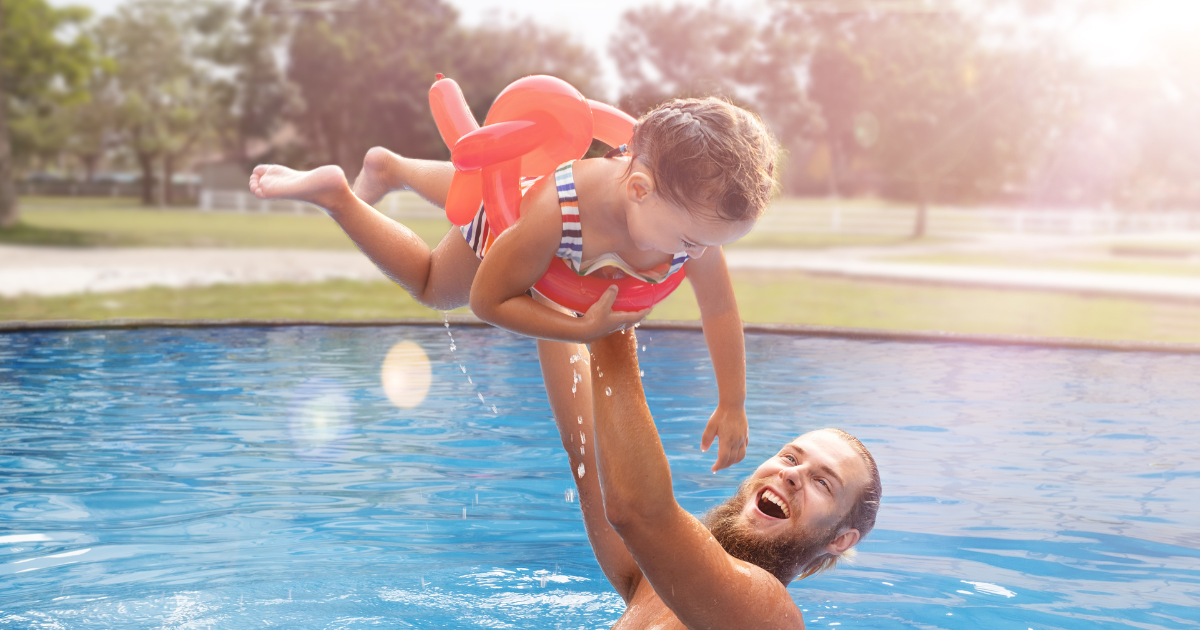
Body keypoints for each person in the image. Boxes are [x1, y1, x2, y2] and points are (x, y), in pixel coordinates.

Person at [249, 97, 778, 471]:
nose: (700, 255)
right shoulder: (559, 212)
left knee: (469, 188)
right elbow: (489, 300)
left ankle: (390, 165)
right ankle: (339, 195)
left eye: (710, 244)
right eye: (690, 242)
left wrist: (733, 401)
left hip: (541, 218)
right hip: (515, 221)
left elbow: (720, 311)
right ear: (638, 189)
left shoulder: (694, 228)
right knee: (436, 283)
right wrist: (577, 329)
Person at [553, 329, 881, 628]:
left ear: (840, 540)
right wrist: (549, 299)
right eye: (790, 457)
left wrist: (615, 320)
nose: (792, 474)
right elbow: (589, 451)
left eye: (823, 483)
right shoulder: (656, 577)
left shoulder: (769, 613)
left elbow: (637, 512)